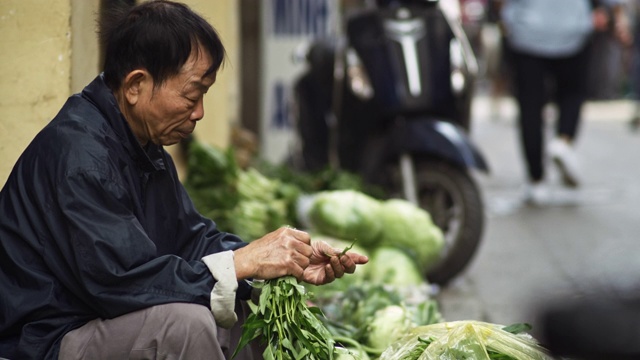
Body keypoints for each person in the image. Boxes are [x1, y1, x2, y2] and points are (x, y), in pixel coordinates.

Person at [0, 1, 368, 359]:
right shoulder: (80, 157)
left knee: (242, 308)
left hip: (101, 318)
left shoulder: (142, 145)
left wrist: (284, 261)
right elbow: (121, 281)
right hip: (47, 339)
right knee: (185, 326)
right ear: (135, 85)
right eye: (192, 95)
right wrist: (239, 263)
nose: (199, 113)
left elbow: (192, 240)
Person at [500, 0, 631, 205]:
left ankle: (536, 179)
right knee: (572, 93)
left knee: (530, 106)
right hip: (573, 26)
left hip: (527, 29)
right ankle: (563, 140)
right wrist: (614, 14)